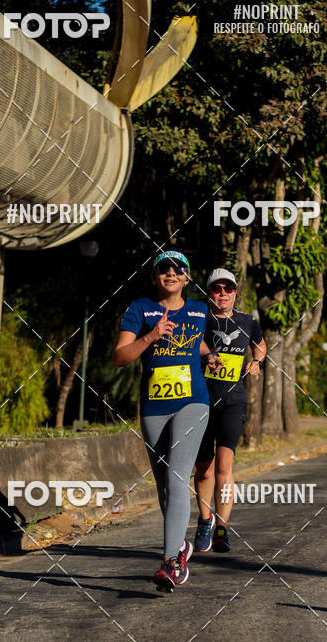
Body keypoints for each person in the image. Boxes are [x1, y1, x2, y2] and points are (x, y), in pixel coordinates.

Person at [112, 251, 219, 591]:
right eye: (164, 268)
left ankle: (171, 562)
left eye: (178, 269)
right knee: (164, 486)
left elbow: (197, 340)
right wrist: (150, 336)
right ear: (155, 276)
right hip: (155, 407)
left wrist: (209, 356)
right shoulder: (140, 309)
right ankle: (180, 547)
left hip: (193, 402)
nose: (171, 273)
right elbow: (119, 357)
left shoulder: (199, 309)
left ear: (187, 278)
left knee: (176, 476)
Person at [193, 268, 266, 554]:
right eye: (216, 289)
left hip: (233, 402)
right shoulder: (201, 318)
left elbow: (260, 345)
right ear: (209, 292)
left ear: (236, 292)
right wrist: (208, 354)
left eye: (228, 289)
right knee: (203, 470)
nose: (222, 294)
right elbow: (192, 340)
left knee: (224, 467)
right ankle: (204, 521)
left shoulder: (247, 321)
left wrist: (256, 361)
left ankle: (221, 528)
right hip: (200, 400)